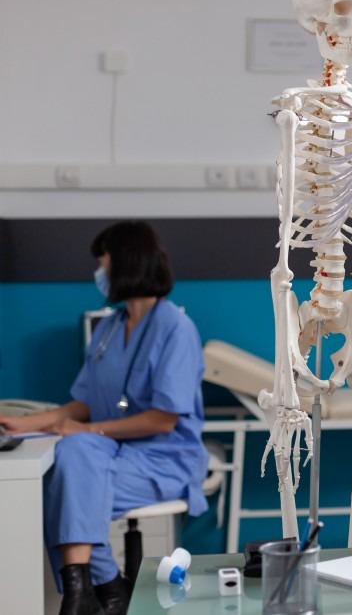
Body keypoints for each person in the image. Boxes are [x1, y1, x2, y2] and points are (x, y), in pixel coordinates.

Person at [0, 221, 207, 615]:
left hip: (163, 459)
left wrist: (84, 430)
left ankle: (91, 591)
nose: (99, 272)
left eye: (103, 261)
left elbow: (163, 420)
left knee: (68, 482)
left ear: (125, 261)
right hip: (108, 453)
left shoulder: (176, 329)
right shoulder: (108, 329)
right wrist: (24, 423)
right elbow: (84, 402)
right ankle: (103, 590)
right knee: (71, 468)